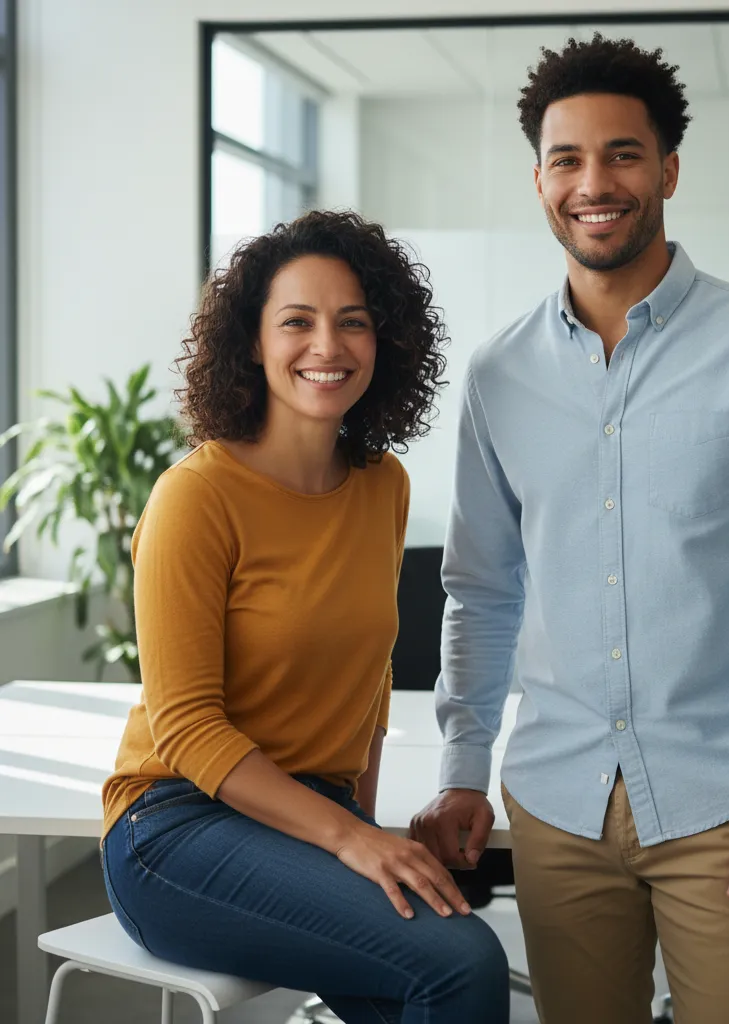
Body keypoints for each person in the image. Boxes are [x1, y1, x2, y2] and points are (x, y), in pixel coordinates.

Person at [411, 35, 729, 1024]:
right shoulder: (497, 375)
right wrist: (461, 769)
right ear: (538, 178)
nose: (595, 182)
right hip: (557, 801)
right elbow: (482, 591)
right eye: (567, 159)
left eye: (622, 154)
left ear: (666, 169)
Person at [101, 210, 510, 1024]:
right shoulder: (196, 497)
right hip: (175, 828)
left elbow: (366, 684)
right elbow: (187, 729)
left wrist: (362, 822)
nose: (328, 345)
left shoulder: (380, 485)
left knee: (430, 972)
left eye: (352, 322)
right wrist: (351, 839)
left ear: (381, 343)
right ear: (253, 342)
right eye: (298, 321)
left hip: (304, 818)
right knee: (461, 962)